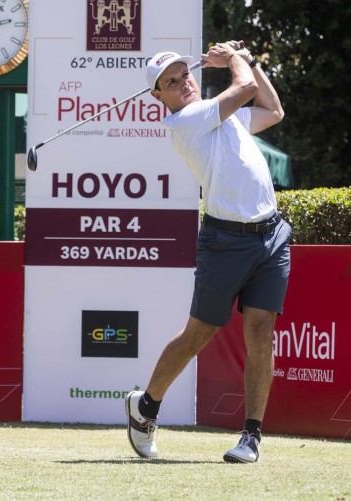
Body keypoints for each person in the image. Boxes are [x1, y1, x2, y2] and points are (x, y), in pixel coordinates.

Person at [125, 40, 291, 464]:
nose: (184, 83)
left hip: (270, 235)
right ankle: (147, 406)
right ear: (158, 95)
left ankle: (251, 436)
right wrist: (234, 59)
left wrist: (248, 61)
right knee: (200, 332)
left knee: (261, 331)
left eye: (186, 75)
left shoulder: (221, 115)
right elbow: (245, 88)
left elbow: (273, 110)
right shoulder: (187, 121)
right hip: (225, 242)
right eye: (172, 82)